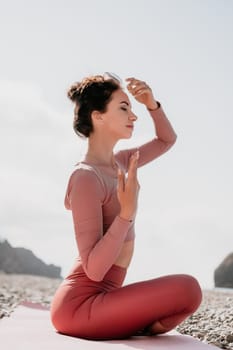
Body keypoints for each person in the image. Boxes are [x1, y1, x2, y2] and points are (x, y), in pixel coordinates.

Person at [50, 73, 202, 340]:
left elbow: (166, 140)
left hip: (108, 297)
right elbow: (94, 270)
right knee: (188, 288)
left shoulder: (121, 161)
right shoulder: (86, 177)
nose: (133, 116)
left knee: (190, 291)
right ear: (98, 116)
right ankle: (131, 324)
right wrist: (126, 214)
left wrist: (151, 104)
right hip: (80, 307)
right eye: (124, 108)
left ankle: (133, 324)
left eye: (132, 109)